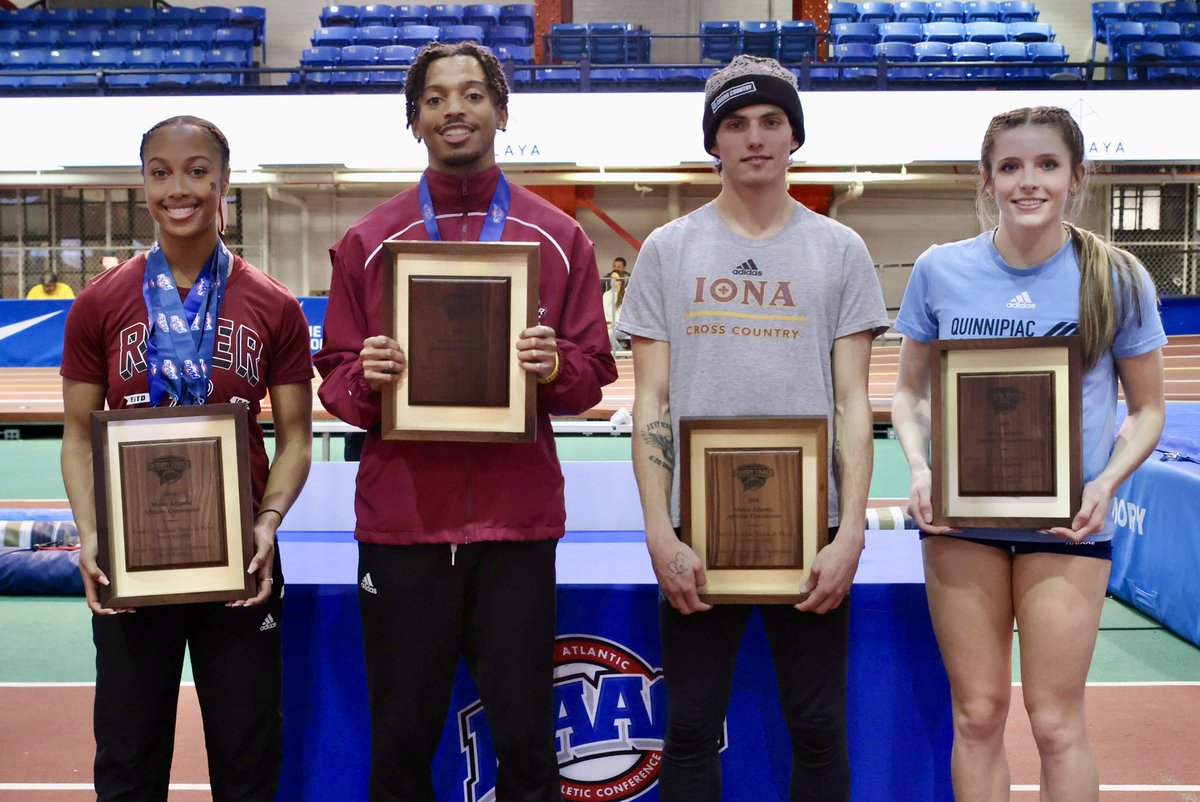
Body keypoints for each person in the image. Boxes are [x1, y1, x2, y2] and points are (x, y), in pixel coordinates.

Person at [313, 42, 617, 802]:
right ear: (414, 120)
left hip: (515, 527)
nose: (456, 109)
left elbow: (591, 381)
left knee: (525, 743)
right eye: (438, 97)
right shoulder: (368, 241)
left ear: (502, 113)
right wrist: (367, 378)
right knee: (401, 744)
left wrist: (554, 368)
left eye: (474, 94)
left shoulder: (557, 238)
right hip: (404, 528)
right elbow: (338, 385)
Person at [619, 55, 889, 802]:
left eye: (772, 121)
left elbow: (853, 403)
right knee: (693, 727)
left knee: (818, 727)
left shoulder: (840, 251)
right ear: (714, 142)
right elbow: (652, 405)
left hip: (810, 531)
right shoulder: (667, 252)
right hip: (700, 534)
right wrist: (659, 531)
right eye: (735, 124)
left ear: (794, 135)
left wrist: (850, 533)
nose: (755, 137)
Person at [891, 106, 1166, 802]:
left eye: (1046, 164)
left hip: (1067, 524)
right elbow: (910, 395)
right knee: (978, 715)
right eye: (1010, 166)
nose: (1028, 181)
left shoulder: (1117, 276)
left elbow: (1150, 410)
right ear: (987, 179)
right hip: (963, 525)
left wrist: (1105, 482)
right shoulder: (940, 271)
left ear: (1077, 176)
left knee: (1054, 723)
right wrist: (921, 471)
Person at [59, 115, 314, 802]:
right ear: (143, 182)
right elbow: (78, 436)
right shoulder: (98, 306)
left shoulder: (274, 306)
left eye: (198, 170)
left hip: (241, 562)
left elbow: (296, 436)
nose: (180, 188)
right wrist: (91, 535)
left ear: (223, 181)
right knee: (129, 757)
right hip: (131, 559)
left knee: (248, 753)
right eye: (161, 172)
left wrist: (266, 523)